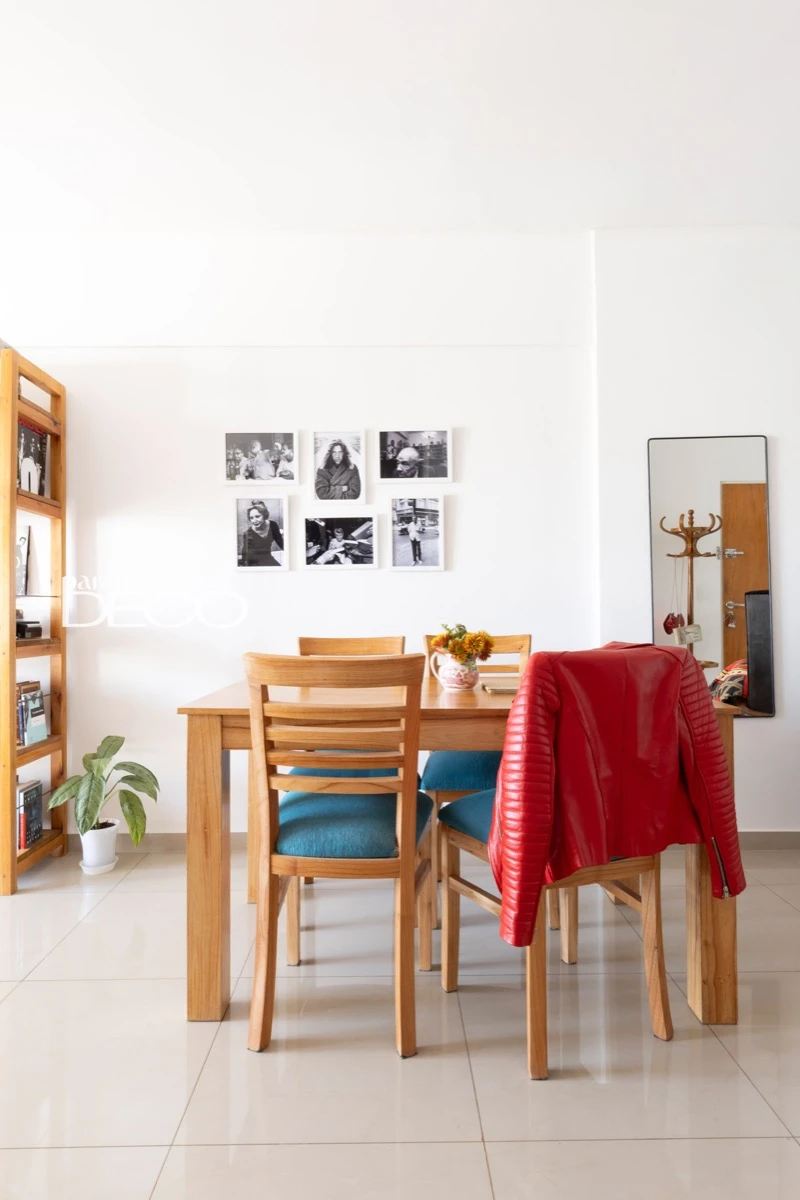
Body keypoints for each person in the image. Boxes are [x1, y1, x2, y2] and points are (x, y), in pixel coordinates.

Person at [239, 502, 284, 567]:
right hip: (253, 563)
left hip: (268, 558)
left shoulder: (273, 525)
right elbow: (244, 554)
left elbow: (281, 543)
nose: (254, 520)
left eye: (257, 516)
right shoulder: (248, 533)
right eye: (251, 518)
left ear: (264, 515)